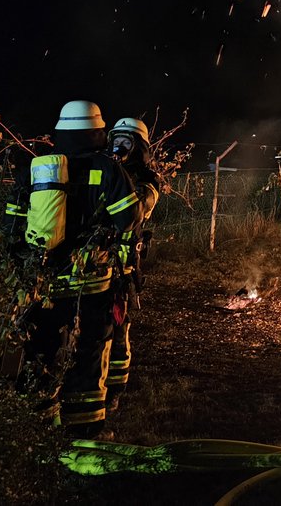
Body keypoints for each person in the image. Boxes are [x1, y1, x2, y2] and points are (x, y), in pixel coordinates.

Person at [5, 100, 140, 436]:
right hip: (90, 286)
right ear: (98, 132)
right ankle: (85, 434)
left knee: (40, 354)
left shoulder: (36, 169)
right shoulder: (108, 169)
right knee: (88, 356)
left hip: (43, 285)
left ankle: (36, 432)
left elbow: (11, 229)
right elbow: (129, 220)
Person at [104, 116, 160, 411]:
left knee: (118, 329)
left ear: (139, 147)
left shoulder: (147, 181)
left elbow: (136, 211)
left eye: (126, 141)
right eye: (116, 140)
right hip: (95, 264)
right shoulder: (104, 170)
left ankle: (114, 390)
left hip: (122, 268)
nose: (119, 146)